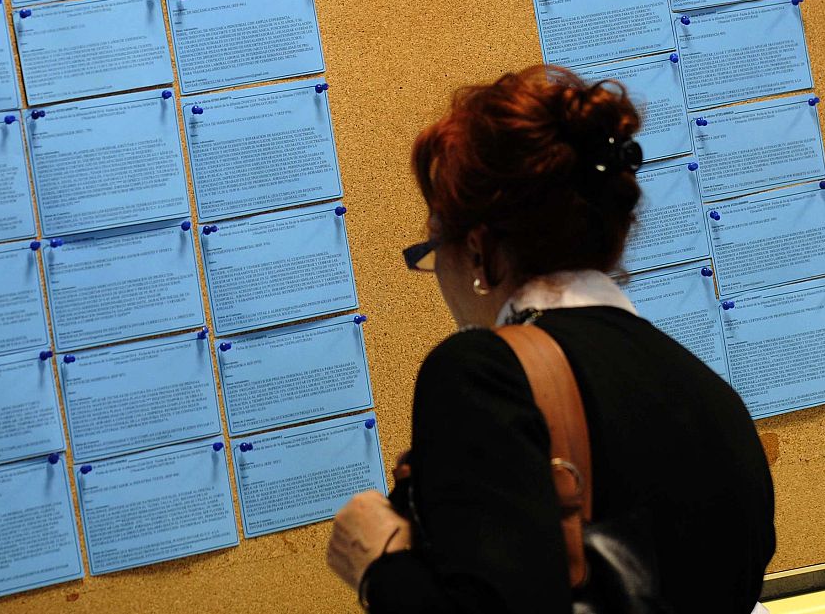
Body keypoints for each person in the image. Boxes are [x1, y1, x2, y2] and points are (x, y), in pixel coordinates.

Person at [325, 64, 775, 613]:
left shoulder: (483, 373)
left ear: (479, 252)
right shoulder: (713, 397)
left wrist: (379, 564)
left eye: (433, 249)